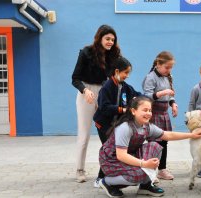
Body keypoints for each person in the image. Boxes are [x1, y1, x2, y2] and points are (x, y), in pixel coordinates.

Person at [99, 96, 201, 197]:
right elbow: (121, 156)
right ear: (133, 111)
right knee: (139, 174)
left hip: (129, 155)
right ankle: (107, 182)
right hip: (111, 160)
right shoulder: (125, 128)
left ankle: (145, 186)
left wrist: (192, 135)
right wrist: (144, 164)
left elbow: (167, 134)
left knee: (155, 146)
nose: (149, 113)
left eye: (150, 110)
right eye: (145, 110)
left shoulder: (147, 126)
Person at [71, 24, 120, 183]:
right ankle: (80, 170)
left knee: (109, 132)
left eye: (113, 39)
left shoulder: (114, 56)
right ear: (99, 38)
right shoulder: (86, 52)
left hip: (104, 92)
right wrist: (85, 91)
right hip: (86, 93)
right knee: (84, 134)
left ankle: (109, 168)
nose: (110, 42)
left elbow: (115, 78)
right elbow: (75, 78)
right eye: (107, 38)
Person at [93, 56, 141, 187]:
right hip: (103, 125)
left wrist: (149, 98)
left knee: (112, 150)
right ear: (116, 71)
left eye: (128, 73)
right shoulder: (107, 87)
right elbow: (105, 107)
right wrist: (123, 110)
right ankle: (100, 179)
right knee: (108, 151)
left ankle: (108, 176)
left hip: (115, 125)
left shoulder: (125, 87)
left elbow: (137, 94)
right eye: (125, 72)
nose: (127, 76)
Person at [142, 51, 178, 180]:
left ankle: (162, 169)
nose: (168, 70)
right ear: (158, 64)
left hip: (164, 113)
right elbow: (146, 96)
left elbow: (171, 94)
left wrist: (173, 104)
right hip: (154, 113)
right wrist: (161, 93)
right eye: (167, 67)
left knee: (164, 142)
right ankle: (151, 171)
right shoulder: (151, 77)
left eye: (170, 68)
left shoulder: (167, 76)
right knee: (154, 143)